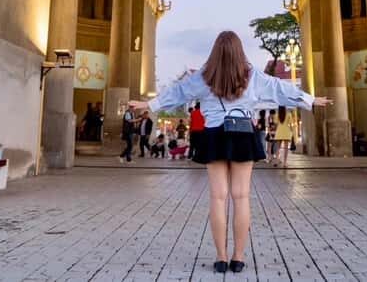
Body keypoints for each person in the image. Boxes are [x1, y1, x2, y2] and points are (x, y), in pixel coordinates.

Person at [128, 30, 331, 273]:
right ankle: (238, 257)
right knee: (241, 197)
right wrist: (310, 99)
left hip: (214, 135)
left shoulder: (205, 75)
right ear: (239, 51)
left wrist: (148, 104)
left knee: (218, 197)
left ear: (215, 52)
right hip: (243, 133)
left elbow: (179, 91)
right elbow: (278, 88)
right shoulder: (251, 75)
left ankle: (221, 257)